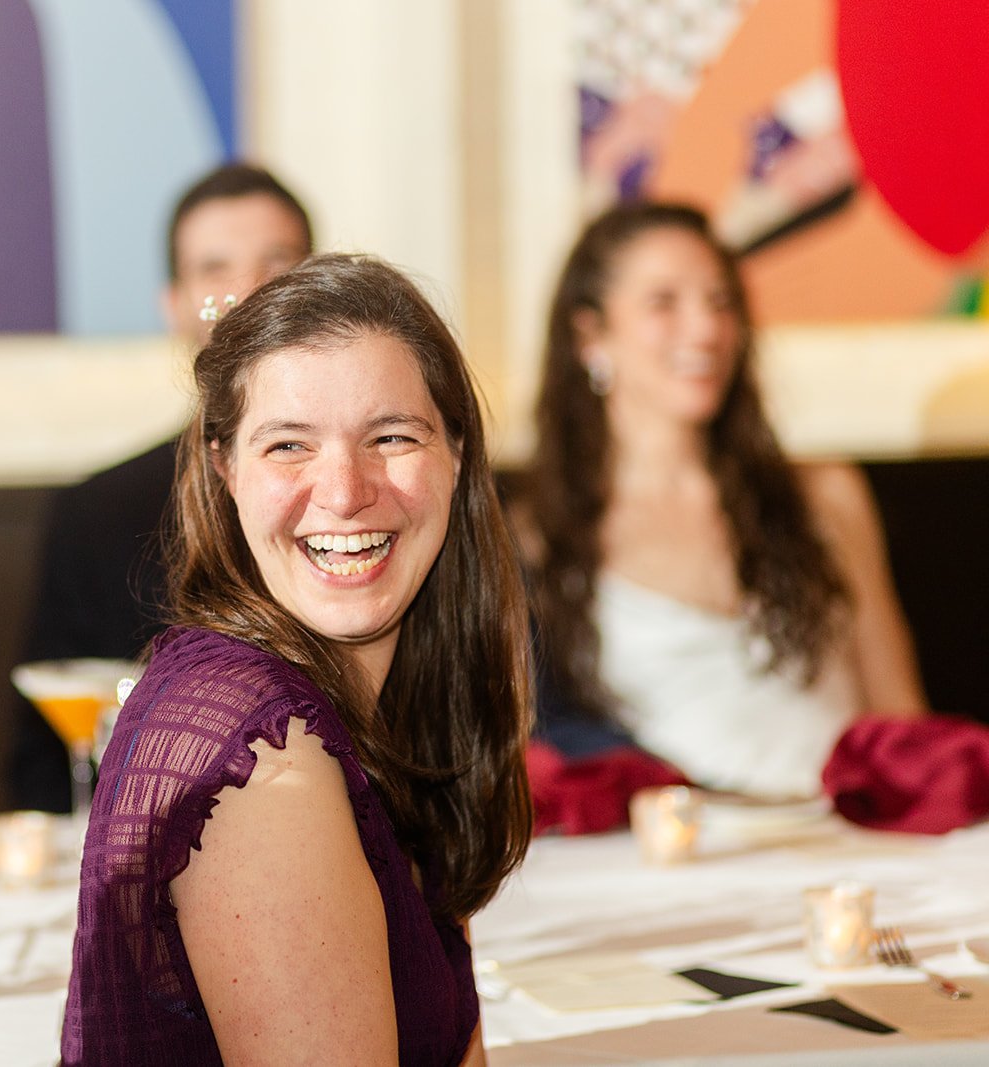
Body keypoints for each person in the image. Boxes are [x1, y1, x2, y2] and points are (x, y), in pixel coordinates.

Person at [62, 254, 532, 1064]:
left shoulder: (386, 717)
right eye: (288, 446)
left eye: (392, 436)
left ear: (456, 453)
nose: (345, 490)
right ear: (225, 468)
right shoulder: (266, 760)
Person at [518, 201, 927, 800]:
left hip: (849, 844)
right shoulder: (540, 534)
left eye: (720, 302)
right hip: (681, 859)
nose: (705, 329)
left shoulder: (825, 494)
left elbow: (900, 716)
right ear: (590, 334)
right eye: (664, 302)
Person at [8, 162, 313, 811]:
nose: (249, 292)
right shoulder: (94, 515)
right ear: (172, 305)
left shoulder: (372, 496)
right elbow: (41, 768)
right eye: (215, 270)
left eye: (276, 262)